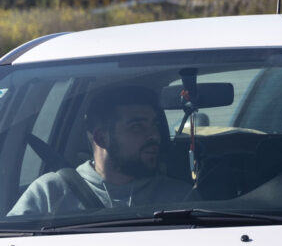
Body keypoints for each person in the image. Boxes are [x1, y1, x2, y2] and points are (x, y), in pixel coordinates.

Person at [8, 85, 192, 215]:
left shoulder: (181, 198)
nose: (155, 136)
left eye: (154, 125)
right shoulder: (49, 192)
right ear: (101, 138)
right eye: (137, 127)